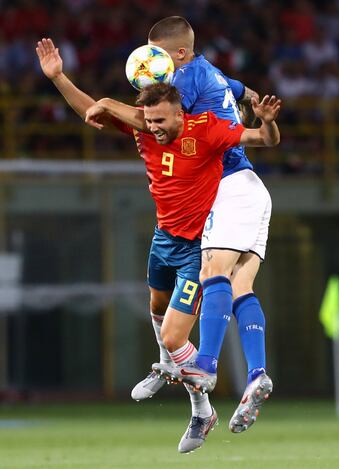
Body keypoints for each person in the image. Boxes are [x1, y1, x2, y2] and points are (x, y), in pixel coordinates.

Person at [36, 36, 281, 453]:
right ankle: (171, 368)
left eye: (161, 122)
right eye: (148, 122)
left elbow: (262, 140)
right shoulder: (145, 127)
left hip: (193, 247)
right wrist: (59, 78)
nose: (154, 129)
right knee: (154, 307)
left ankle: (202, 407)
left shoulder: (207, 132)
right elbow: (91, 111)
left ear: (180, 113)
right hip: (163, 237)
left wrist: (266, 121)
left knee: (172, 334)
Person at [141, 16, 275, 434]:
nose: (153, 67)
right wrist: (255, 105)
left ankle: (205, 366)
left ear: (179, 55)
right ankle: (257, 373)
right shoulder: (213, 73)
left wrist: (108, 105)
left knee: (211, 272)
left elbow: (151, 113)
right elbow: (244, 90)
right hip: (255, 190)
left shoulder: (186, 79)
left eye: (158, 58)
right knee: (241, 285)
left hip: (230, 185)